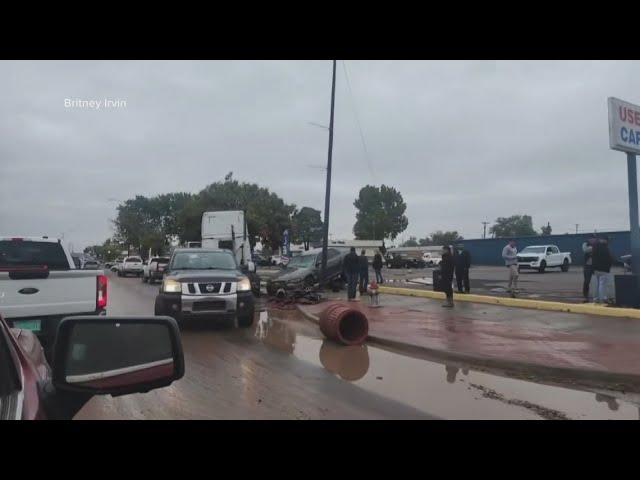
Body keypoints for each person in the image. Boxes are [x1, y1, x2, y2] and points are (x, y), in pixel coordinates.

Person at [591, 236, 613, 304]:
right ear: (604, 240)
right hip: (603, 269)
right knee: (602, 284)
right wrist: (621, 264)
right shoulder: (604, 247)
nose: (608, 242)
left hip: (595, 269)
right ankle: (602, 298)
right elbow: (609, 258)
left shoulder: (595, 246)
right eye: (607, 240)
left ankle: (596, 298)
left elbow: (593, 257)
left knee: (597, 284)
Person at [582, 234, 597, 303]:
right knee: (587, 281)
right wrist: (593, 248)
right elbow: (585, 250)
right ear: (589, 239)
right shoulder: (585, 244)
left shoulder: (597, 244)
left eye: (594, 238)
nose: (593, 240)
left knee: (597, 281)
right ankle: (585, 295)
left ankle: (596, 295)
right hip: (587, 266)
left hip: (595, 266)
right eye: (592, 238)